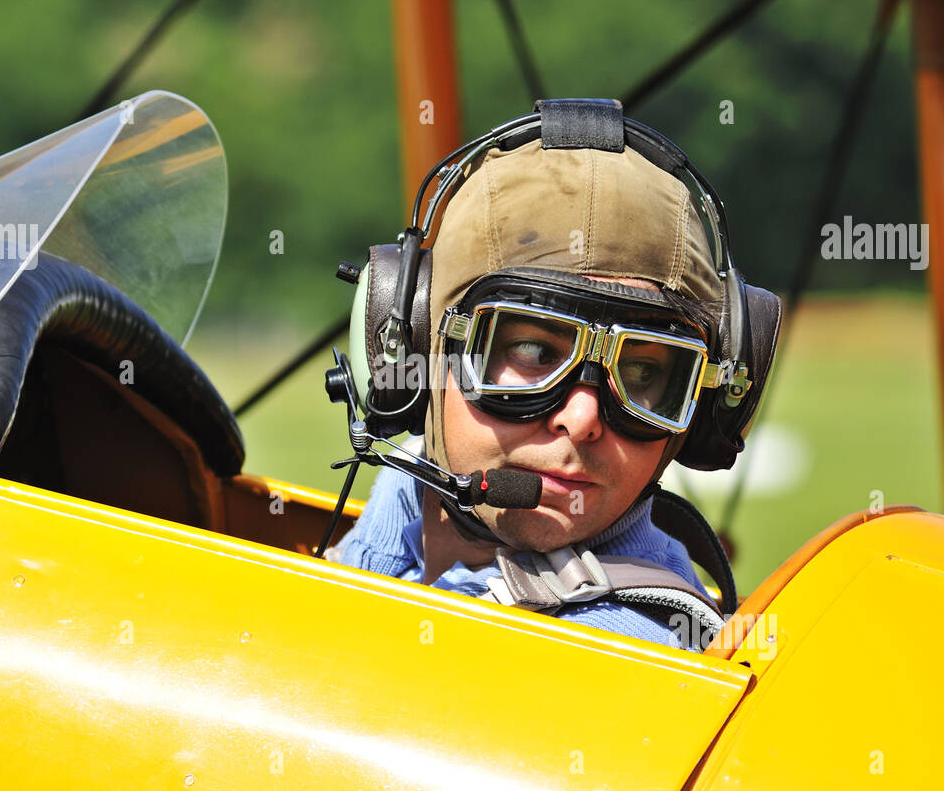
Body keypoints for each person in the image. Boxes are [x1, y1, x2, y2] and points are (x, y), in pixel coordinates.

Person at [328, 100, 776, 651]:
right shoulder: (409, 498)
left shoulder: (624, 654)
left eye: (640, 371)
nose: (584, 417)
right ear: (419, 348)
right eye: (536, 351)